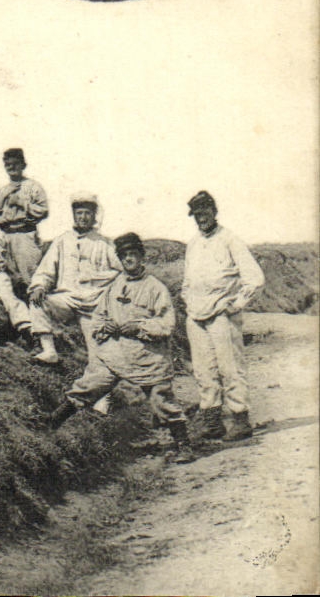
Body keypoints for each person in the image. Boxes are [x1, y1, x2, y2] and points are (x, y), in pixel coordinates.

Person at [49, 234, 196, 465]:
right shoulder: (114, 286)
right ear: (119, 258)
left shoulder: (156, 288)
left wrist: (139, 326)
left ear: (141, 257)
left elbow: (167, 324)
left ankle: (184, 444)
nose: (129, 259)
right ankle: (51, 424)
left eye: (133, 255)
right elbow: (99, 317)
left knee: (161, 401)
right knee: (89, 385)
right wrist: (103, 327)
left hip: (149, 356)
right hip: (116, 353)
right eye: (124, 255)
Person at [181, 191, 264, 442]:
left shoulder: (230, 240)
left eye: (205, 212)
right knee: (204, 371)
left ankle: (240, 419)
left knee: (230, 368)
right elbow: (187, 281)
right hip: (196, 316)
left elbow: (255, 278)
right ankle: (212, 422)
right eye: (197, 214)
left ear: (214, 212)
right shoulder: (193, 244)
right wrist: (188, 300)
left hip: (222, 315)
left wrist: (236, 305)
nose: (201, 218)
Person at [27, 193, 121, 366]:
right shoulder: (62, 241)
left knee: (98, 356)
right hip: (67, 299)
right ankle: (49, 351)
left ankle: (103, 388)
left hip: (95, 304)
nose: (83, 218)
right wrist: (40, 286)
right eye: (79, 213)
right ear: (74, 215)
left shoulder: (105, 243)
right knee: (37, 302)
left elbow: (121, 271)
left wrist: (101, 283)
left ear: (94, 216)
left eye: (87, 213)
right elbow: (46, 270)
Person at [0, 148, 49, 283]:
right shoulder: (1, 191)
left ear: (23, 165)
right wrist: (2, 198)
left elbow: (43, 210)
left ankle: (34, 303)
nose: (11, 167)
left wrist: (22, 203)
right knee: (8, 277)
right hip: (6, 236)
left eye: (15, 163)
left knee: (30, 277)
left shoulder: (33, 187)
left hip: (25, 235)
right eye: (8, 164)